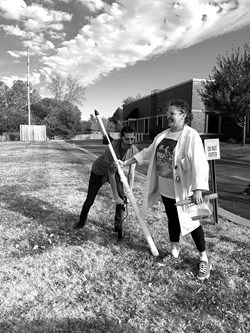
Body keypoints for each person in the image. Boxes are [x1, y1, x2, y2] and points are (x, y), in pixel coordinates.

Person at [118, 100, 212, 280]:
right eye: (168, 113)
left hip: (184, 190)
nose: (168, 116)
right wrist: (127, 162)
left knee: (192, 222)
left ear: (183, 115)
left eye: (173, 113)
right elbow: (147, 152)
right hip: (166, 188)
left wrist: (199, 188)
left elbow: (200, 162)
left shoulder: (191, 136)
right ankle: (174, 253)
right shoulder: (163, 135)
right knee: (173, 221)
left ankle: (204, 258)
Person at [73, 126, 138, 241]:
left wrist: (129, 192)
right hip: (98, 172)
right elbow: (110, 174)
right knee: (90, 200)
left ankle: (119, 229)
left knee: (122, 201)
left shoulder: (134, 150)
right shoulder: (112, 149)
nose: (130, 142)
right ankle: (81, 221)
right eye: (127, 139)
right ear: (121, 138)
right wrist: (115, 196)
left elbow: (131, 174)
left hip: (115, 172)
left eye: (132, 139)